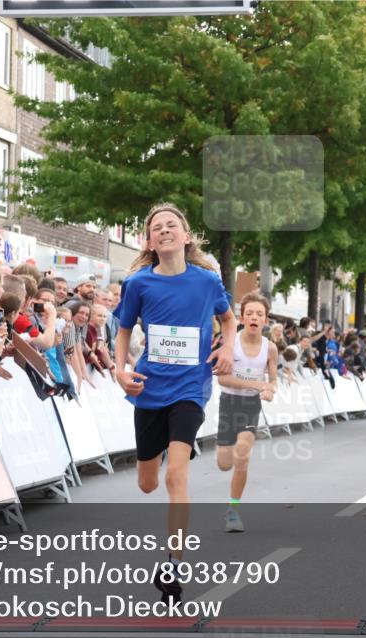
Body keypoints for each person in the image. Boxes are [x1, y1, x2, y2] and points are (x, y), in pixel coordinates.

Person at [113, 203, 234, 607]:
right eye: (156, 228)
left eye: (172, 225)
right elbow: (124, 329)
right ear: (149, 241)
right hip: (148, 388)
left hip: (189, 388)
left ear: (185, 236)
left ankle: (174, 564)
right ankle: (161, 450)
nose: (164, 231)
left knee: (175, 477)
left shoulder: (206, 281)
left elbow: (228, 319)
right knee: (148, 483)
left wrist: (227, 347)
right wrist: (119, 369)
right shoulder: (139, 284)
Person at [216, 291, 277, 533]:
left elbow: (272, 379)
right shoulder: (231, 344)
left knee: (242, 456)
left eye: (259, 314)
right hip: (228, 404)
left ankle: (233, 510)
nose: (254, 317)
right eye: (249, 313)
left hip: (251, 406)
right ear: (241, 318)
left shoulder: (270, 348)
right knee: (224, 463)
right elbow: (223, 378)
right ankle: (226, 456)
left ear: (266, 320)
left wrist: (270, 389)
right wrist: (257, 384)